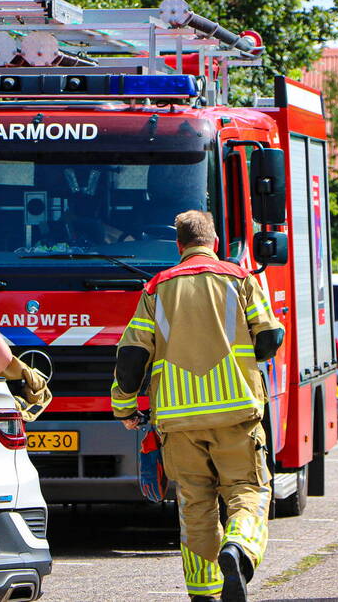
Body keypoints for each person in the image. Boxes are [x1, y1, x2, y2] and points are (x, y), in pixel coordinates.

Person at [111, 210, 284, 602]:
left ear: (179, 246)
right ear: (216, 243)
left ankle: (204, 593)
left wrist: (124, 408)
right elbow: (270, 335)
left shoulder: (155, 288)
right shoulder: (240, 279)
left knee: (194, 504)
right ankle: (239, 549)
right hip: (236, 412)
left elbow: (131, 358)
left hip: (177, 420)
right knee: (248, 491)